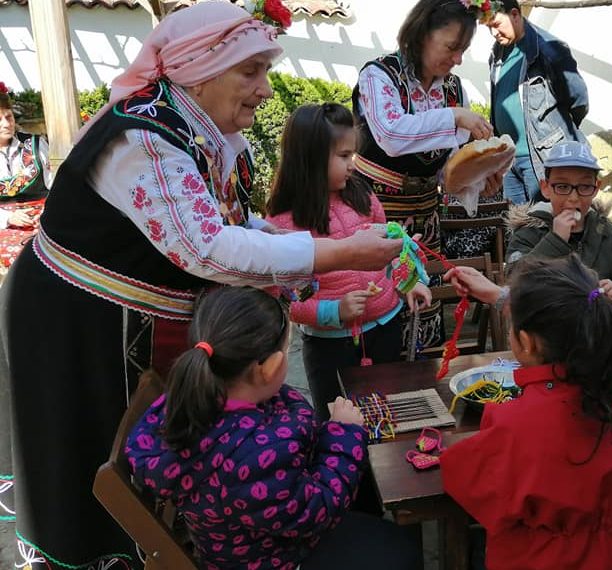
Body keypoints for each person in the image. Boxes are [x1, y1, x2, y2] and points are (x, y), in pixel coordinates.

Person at [0, 4, 402, 569]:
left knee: (134, 442)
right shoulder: (143, 140)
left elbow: (231, 221)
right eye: (251, 71)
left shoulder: (202, 130)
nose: (266, 90)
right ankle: (102, 556)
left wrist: (299, 247)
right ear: (200, 70)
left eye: (265, 71)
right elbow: (206, 246)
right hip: (76, 317)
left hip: (126, 315)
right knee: (82, 446)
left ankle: (164, 540)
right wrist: (338, 252)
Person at [126, 286, 420, 570]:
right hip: (277, 558)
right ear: (269, 368)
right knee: (401, 548)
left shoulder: (195, 400)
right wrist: (343, 434)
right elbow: (320, 510)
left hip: (249, 543)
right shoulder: (253, 458)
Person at [440, 255, 612, 569]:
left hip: (549, 559)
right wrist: (499, 295)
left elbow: (469, 483)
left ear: (526, 343)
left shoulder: (517, 421)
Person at [265, 103, 431, 417]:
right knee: (336, 421)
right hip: (330, 347)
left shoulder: (362, 195)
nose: (352, 165)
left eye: (352, 154)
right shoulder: (282, 223)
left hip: (386, 327)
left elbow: (392, 247)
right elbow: (284, 300)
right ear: (310, 158)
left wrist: (408, 282)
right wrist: (333, 311)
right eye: (343, 156)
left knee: (387, 414)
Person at [352, 0, 496, 350]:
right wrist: (454, 117)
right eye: (451, 47)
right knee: (379, 302)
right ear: (420, 35)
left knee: (424, 304)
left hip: (425, 214)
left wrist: (477, 179)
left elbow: (448, 167)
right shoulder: (379, 75)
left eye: (463, 50)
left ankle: (425, 374)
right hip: (374, 211)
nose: (457, 59)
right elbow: (391, 135)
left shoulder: (453, 89)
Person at [505, 141, 612, 306]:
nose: (573, 198)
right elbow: (514, 282)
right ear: (545, 188)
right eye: (562, 187)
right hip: (546, 320)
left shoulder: (609, 232)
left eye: (584, 187)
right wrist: (555, 240)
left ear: (596, 188)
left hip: (598, 320)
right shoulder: (528, 231)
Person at [486, 0, 589, 204]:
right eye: (489, 28)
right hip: (509, 160)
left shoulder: (548, 50)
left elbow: (578, 98)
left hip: (542, 157)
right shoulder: (497, 52)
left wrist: (558, 133)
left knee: (545, 219)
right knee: (516, 222)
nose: (493, 33)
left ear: (515, 15)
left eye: (496, 25)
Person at [0, 83, 52, 276]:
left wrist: (47, 213)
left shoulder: (35, 145)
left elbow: (55, 187)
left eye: (8, 117)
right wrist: (7, 218)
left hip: (42, 220)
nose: (6, 124)